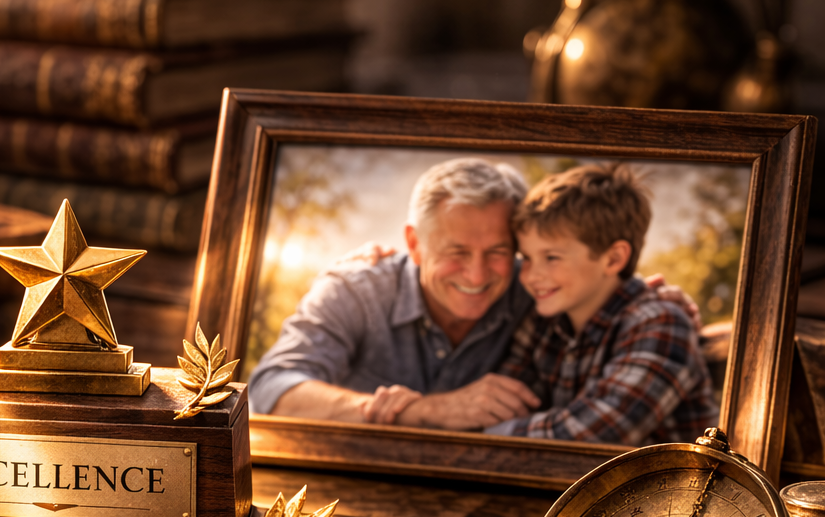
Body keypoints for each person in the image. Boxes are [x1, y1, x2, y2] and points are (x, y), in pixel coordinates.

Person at [247, 158, 543, 430]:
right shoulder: (356, 291)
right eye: (457, 252)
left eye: (497, 252)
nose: (477, 275)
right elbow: (270, 389)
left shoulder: (537, 292)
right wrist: (421, 411)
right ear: (414, 243)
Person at [484, 163, 716, 444]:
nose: (531, 275)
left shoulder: (661, 322)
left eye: (552, 257)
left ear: (613, 259)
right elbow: (501, 404)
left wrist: (486, 437)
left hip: (673, 487)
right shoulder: (544, 321)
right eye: (527, 257)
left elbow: (595, 434)